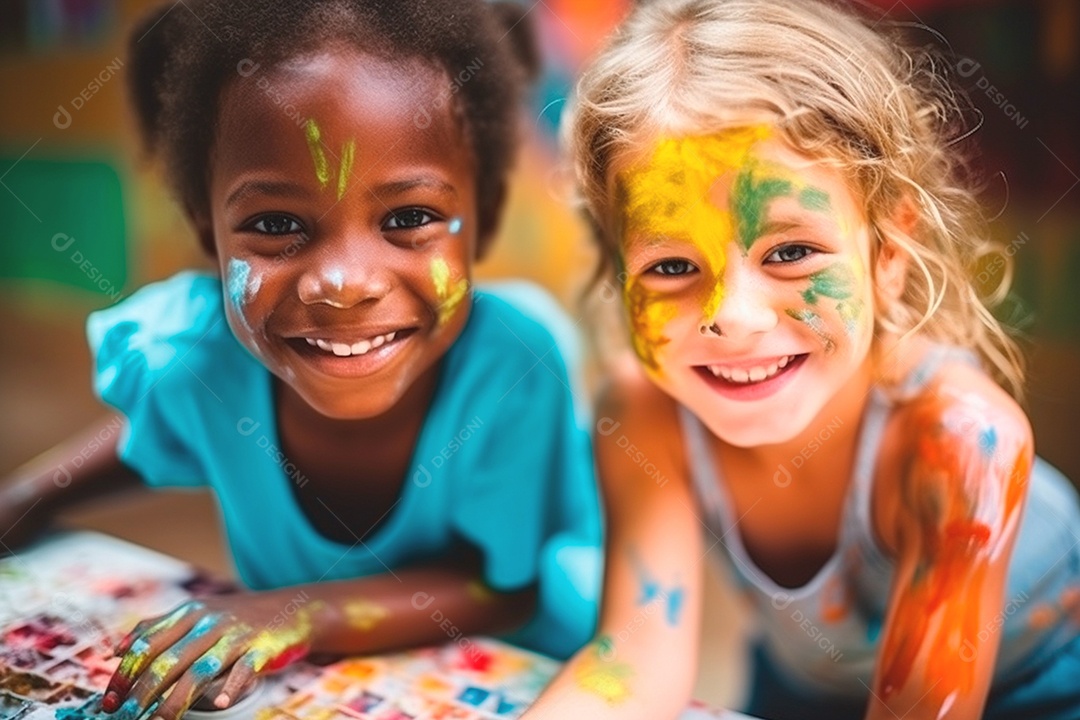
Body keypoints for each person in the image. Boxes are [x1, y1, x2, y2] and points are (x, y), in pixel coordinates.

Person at [0, 2, 602, 719]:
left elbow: (503, 588)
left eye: (408, 218)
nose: (344, 283)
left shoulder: (511, 367)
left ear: (485, 217)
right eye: (277, 224)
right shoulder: (197, 355)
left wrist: (294, 615)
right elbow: (159, 426)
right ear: (207, 231)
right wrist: (27, 498)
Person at [522, 0, 1080, 718]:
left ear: (888, 255)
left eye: (790, 252)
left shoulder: (962, 444)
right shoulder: (645, 415)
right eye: (671, 266)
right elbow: (634, 663)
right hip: (809, 689)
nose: (734, 316)